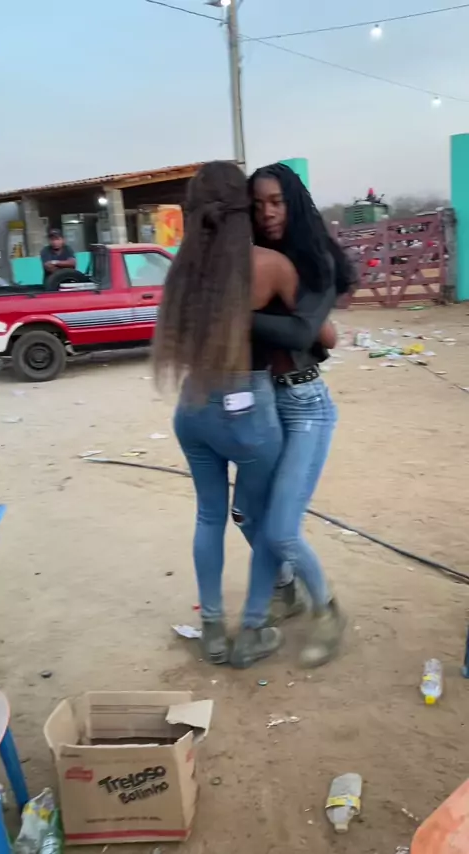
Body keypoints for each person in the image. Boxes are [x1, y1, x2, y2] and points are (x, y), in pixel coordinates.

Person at [153, 161, 333, 669]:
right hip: (248, 412)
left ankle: (212, 628)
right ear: (243, 210)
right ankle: (253, 630)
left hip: (192, 408)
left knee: (210, 516)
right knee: (266, 519)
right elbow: (322, 335)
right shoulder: (269, 266)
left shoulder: (182, 272)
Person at [241, 162, 356, 667]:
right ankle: (284, 588)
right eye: (257, 204)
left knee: (282, 528)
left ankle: (327, 611)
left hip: (306, 405)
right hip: (263, 400)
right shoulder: (256, 261)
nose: (267, 212)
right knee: (246, 514)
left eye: (276, 201)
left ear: (293, 202)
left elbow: (302, 332)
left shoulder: (317, 260)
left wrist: (234, 314)